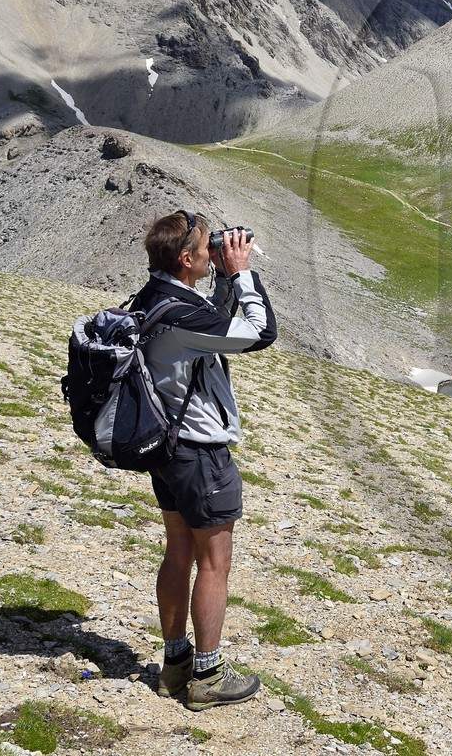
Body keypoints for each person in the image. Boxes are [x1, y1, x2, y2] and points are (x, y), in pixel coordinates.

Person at [136, 209, 276, 710]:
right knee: (214, 562)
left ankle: (176, 663)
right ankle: (209, 674)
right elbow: (258, 333)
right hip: (200, 452)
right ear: (185, 258)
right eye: (203, 246)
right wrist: (241, 273)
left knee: (179, 550)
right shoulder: (180, 313)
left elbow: (208, 321)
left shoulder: (154, 297)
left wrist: (217, 276)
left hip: (168, 450)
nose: (211, 249)